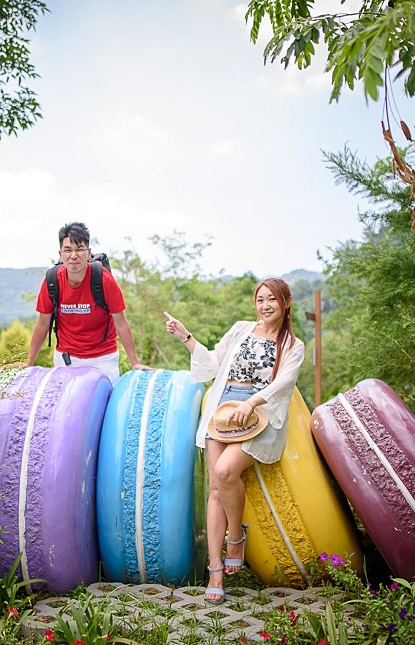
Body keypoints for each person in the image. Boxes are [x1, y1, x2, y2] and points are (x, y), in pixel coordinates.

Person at [163, 277, 305, 605]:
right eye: (260, 299)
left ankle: (236, 538)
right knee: (215, 488)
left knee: (226, 471)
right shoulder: (241, 329)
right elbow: (212, 365)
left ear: (285, 303)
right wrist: (186, 336)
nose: (265, 305)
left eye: (272, 299)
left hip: (258, 416)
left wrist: (252, 402)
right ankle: (215, 571)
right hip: (223, 411)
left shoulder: (292, 346)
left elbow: (284, 383)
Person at [25, 221, 146, 385]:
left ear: (88, 253)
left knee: (103, 407)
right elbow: (42, 324)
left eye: (79, 249)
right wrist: (28, 362)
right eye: (68, 250)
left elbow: (121, 323)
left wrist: (134, 363)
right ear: (60, 254)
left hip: (103, 360)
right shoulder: (52, 281)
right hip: (66, 359)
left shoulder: (103, 280)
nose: (73, 255)